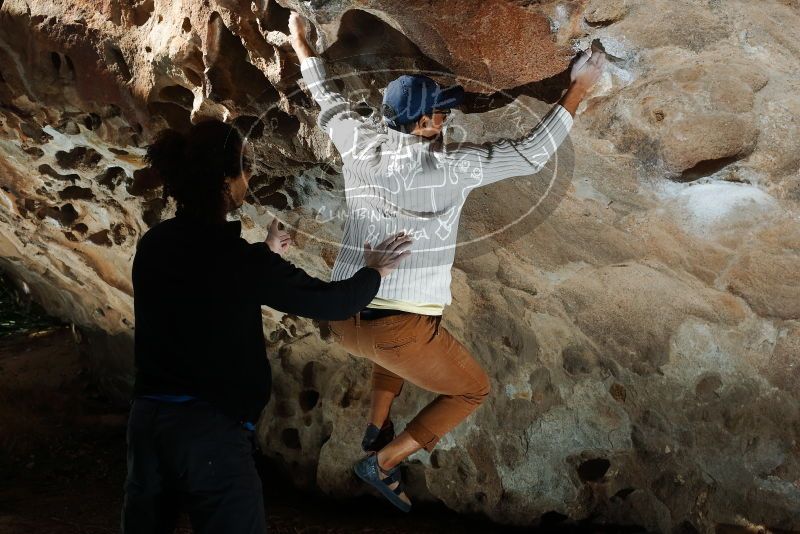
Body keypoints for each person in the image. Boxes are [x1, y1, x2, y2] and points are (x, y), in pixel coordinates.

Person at [288, 12, 607, 512]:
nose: (447, 119)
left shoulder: (360, 145)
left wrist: (304, 49)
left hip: (342, 319)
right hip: (395, 331)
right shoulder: (452, 167)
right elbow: (528, 156)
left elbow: (326, 102)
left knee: (387, 338)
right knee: (471, 391)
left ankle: (377, 424)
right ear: (422, 122)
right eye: (441, 113)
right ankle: (384, 461)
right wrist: (578, 90)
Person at [122, 119, 411, 533]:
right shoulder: (239, 262)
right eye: (245, 167)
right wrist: (376, 270)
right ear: (225, 180)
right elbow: (333, 302)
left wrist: (265, 253)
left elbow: (205, 281)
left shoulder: (155, 244)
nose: (250, 176)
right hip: (209, 434)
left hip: (147, 425)